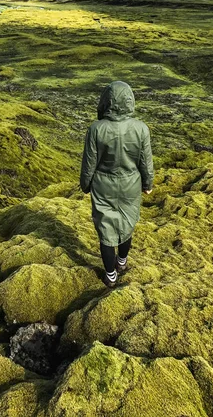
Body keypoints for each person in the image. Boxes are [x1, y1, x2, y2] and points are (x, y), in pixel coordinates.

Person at [80, 80, 154, 288]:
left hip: (103, 186)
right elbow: (146, 161)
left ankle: (110, 275)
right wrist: (148, 183)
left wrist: (85, 185)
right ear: (130, 101)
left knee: (107, 230)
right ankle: (122, 262)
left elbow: (89, 162)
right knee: (126, 225)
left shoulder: (96, 129)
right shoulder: (141, 128)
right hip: (131, 185)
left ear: (106, 101)